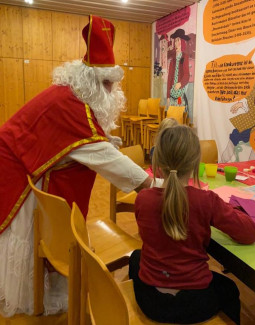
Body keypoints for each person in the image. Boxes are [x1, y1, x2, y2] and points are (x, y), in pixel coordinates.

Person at [0, 15, 155, 317]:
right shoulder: (72, 108)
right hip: (14, 168)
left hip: (18, 160)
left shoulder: (68, 96)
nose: (113, 92)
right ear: (92, 83)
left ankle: (39, 289)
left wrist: (104, 142)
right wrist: (153, 184)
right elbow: (102, 156)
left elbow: (84, 143)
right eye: (108, 84)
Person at [129, 125, 255, 324]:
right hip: (193, 302)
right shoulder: (207, 201)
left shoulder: (143, 198)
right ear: (195, 164)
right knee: (230, 289)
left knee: (136, 257)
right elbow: (250, 234)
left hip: (151, 301)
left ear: (157, 161)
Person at [222, 9, 255, 162]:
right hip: (254, 113)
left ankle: (252, 174)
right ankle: (219, 166)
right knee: (235, 135)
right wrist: (243, 103)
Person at [167, 29, 190, 110]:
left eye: (178, 40)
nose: (176, 43)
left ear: (182, 42)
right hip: (172, 93)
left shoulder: (185, 56)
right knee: (171, 118)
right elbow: (169, 77)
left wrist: (180, 83)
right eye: (175, 41)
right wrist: (167, 96)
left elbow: (187, 75)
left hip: (180, 93)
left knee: (180, 114)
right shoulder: (172, 60)